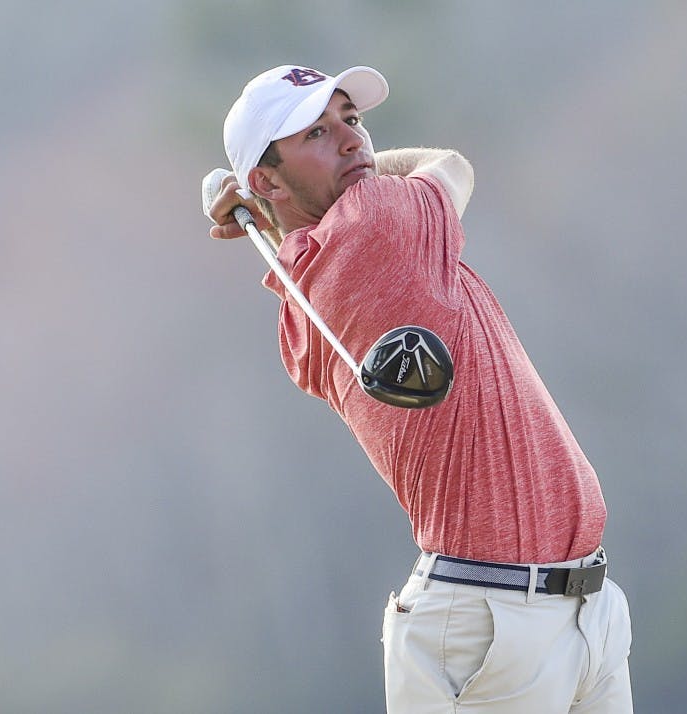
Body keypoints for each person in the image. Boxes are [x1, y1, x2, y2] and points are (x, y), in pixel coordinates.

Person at [204, 64, 633, 714]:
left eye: (352, 121)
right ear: (265, 177)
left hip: (577, 613)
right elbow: (449, 165)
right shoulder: (376, 221)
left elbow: (314, 235)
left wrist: (265, 205)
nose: (353, 142)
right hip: (488, 629)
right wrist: (263, 207)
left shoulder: (303, 303)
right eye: (317, 133)